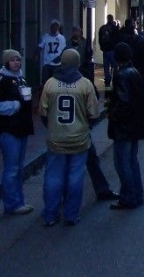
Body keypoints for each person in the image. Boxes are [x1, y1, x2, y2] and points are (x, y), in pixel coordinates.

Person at [39, 49, 99, 226]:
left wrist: (52, 127)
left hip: (56, 138)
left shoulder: (50, 84)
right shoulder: (85, 84)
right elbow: (94, 114)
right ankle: (71, 214)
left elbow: (43, 112)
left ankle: (50, 214)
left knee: (53, 177)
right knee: (75, 177)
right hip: (79, 139)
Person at [0, 49, 34, 215]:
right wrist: (16, 105)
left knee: (18, 167)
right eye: (13, 60)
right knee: (11, 168)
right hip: (9, 130)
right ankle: (11, 204)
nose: (16, 62)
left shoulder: (21, 78)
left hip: (22, 128)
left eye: (18, 59)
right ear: (6, 62)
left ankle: (19, 201)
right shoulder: (1, 81)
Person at [107, 42, 144, 210]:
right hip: (135, 123)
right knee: (132, 161)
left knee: (122, 162)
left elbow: (124, 102)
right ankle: (136, 194)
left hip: (124, 126)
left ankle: (128, 196)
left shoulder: (122, 74)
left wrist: (113, 115)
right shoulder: (134, 72)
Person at [34, 19, 66, 85]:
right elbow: (39, 47)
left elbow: (64, 50)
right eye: (53, 26)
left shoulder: (62, 38)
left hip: (58, 64)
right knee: (45, 82)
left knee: (57, 82)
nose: (55, 28)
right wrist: (36, 55)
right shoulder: (45, 37)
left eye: (56, 26)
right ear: (50, 27)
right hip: (47, 63)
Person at [98, 14, 119, 87]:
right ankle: (114, 80)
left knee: (106, 67)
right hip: (113, 50)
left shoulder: (102, 28)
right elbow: (117, 39)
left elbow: (100, 39)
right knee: (115, 66)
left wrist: (102, 48)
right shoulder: (115, 28)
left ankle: (107, 80)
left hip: (105, 50)